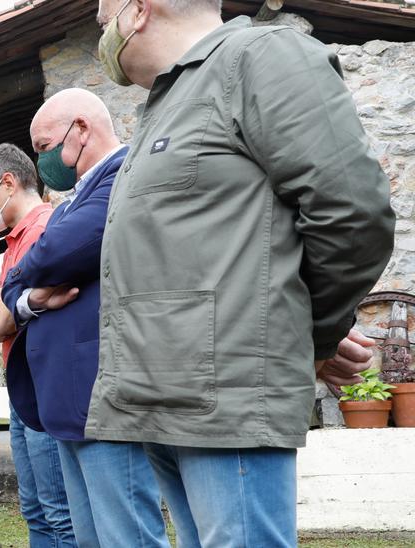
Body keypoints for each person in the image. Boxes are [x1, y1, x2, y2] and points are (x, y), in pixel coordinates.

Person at [82, 0, 394, 545]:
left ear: (138, 11)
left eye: (104, 18)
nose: (100, 33)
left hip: (226, 404)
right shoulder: (168, 102)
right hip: (162, 401)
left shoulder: (260, 57)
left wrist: (312, 334)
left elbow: (353, 213)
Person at [0, 89, 168, 547]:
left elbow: (55, 252)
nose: (43, 161)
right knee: (89, 537)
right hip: (68, 403)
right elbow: (21, 282)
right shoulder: (69, 205)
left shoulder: (121, 178)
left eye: (44, 147)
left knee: (127, 535)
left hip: (101, 396)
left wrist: (25, 278)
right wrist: (28, 290)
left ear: (80, 129)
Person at [0, 143, 75, 548]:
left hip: (47, 388)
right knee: (35, 510)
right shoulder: (13, 242)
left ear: (8, 183)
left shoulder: (46, 230)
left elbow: (1, 318)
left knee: (59, 513)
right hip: (24, 390)